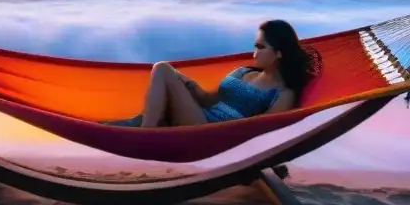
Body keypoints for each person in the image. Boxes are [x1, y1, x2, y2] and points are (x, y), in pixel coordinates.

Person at [106, 19, 318, 128]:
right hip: (200, 114)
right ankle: (138, 127)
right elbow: (209, 100)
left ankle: (145, 136)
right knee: (124, 124)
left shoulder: (282, 93)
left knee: (161, 68)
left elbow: (264, 132)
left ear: (279, 52)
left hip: (210, 131)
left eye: (260, 47)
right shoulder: (244, 71)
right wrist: (189, 85)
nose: (254, 54)